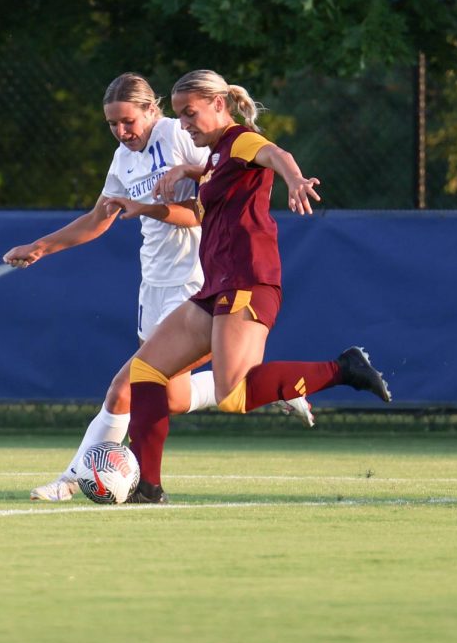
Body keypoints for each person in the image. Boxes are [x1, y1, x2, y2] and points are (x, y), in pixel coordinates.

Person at [3, 73, 313, 501]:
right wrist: (42, 246)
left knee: (124, 388)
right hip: (155, 284)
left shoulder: (179, 134)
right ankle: (266, 383)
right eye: (112, 124)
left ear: (153, 110)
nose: (121, 131)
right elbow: (99, 219)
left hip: (198, 281)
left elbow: (203, 210)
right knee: (171, 395)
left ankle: (72, 480)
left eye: (128, 121)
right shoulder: (122, 159)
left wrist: (150, 205)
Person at [125, 70, 392, 504]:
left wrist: (296, 180)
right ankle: (147, 489)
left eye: (190, 113)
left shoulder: (239, 139)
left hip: (248, 281)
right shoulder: (215, 156)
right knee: (147, 370)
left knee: (234, 395)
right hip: (217, 287)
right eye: (179, 115)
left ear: (219, 104)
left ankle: (344, 369)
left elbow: (274, 153)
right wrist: (185, 169)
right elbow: (216, 174)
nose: (185, 123)